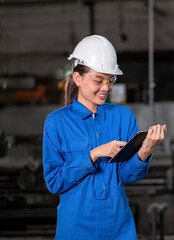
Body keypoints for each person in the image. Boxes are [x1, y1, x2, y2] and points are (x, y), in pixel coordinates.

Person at [42, 35, 166, 239]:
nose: (106, 87)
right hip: (76, 229)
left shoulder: (122, 116)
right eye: (98, 80)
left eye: (110, 80)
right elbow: (54, 182)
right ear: (77, 78)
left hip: (118, 227)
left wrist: (145, 149)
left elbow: (127, 175)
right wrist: (92, 155)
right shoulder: (57, 122)